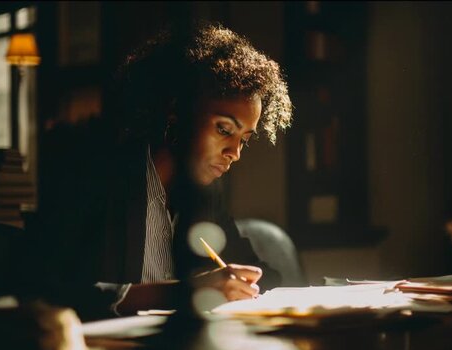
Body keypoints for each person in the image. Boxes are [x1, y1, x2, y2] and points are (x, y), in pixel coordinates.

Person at [22, 22, 293, 320]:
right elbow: (43, 289)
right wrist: (185, 292)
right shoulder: (93, 180)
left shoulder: (205, 199)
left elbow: (262, 278)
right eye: (223, 129)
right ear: (175, 111)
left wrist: (246, 284)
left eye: (243, 139)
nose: (235, 153)